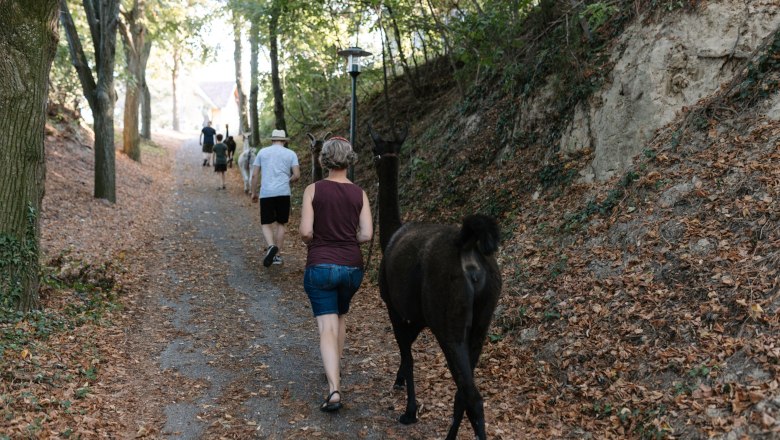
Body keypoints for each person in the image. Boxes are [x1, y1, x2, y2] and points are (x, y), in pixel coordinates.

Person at [299, 136, 372, 412]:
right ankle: (334, 369)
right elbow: (366, 234)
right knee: (340, 316)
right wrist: (346, 237)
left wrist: (320, 238)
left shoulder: (313, 190)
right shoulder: (360, 194)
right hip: (352, 269)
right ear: (349, 160)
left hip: (321, 266)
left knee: (326, 326)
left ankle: (334, 389)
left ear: (325, 160)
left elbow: (306, 232)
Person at [250, 129, 300, 267]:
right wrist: (288, 181)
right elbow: (297, 175)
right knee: (281, 223)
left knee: (266, 223)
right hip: (283, 192)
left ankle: (271, 246)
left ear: (272, 140)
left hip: (266, 193)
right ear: (284, 140)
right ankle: (277, 256)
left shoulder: (262, 152)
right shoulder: (291, 154)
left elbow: (254, 175)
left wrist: (253, 192)